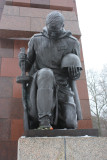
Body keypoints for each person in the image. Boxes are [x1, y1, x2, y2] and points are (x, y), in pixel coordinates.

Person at [19, 11, 82, 130]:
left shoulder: (72, 42)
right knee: (46, 72)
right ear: (46, 25)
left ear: (63, 26)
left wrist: (75, 74)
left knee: (70, 124)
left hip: (62, 87)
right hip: (41, 83)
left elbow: (76, 73)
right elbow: (26, 67)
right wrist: (22, 61)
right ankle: (44, 122)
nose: (52, 33)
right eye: (50, 29)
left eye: (55, 30)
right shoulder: (36, 40)